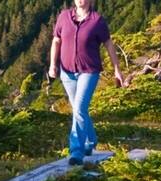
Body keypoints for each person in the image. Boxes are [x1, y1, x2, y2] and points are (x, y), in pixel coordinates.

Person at [48, 0, 129, 166]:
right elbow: (56, 40)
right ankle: (90, 141)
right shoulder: (64, 17)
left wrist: (117, 69)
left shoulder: (97, 21)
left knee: (79, 109)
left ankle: (76, 152)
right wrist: (52, 65)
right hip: (67, 72)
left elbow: (108, 44)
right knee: (80, 110)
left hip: (89, 71)